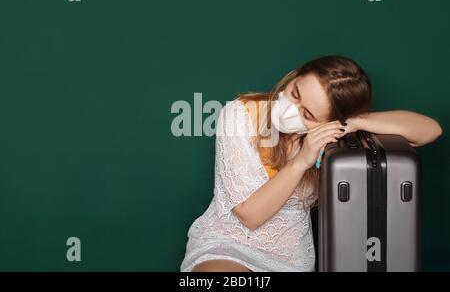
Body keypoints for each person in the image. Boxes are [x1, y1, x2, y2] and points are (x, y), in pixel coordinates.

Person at [180, 55, 443, 272]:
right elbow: (250, 215)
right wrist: (300, 162)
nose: (291, 108)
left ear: (330, 123)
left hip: (290, 260)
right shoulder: (239, 115)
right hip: (228, 247)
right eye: (295, 93)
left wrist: (356, 122)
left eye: (307, 114)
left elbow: (430, 130)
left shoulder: (331, 139)